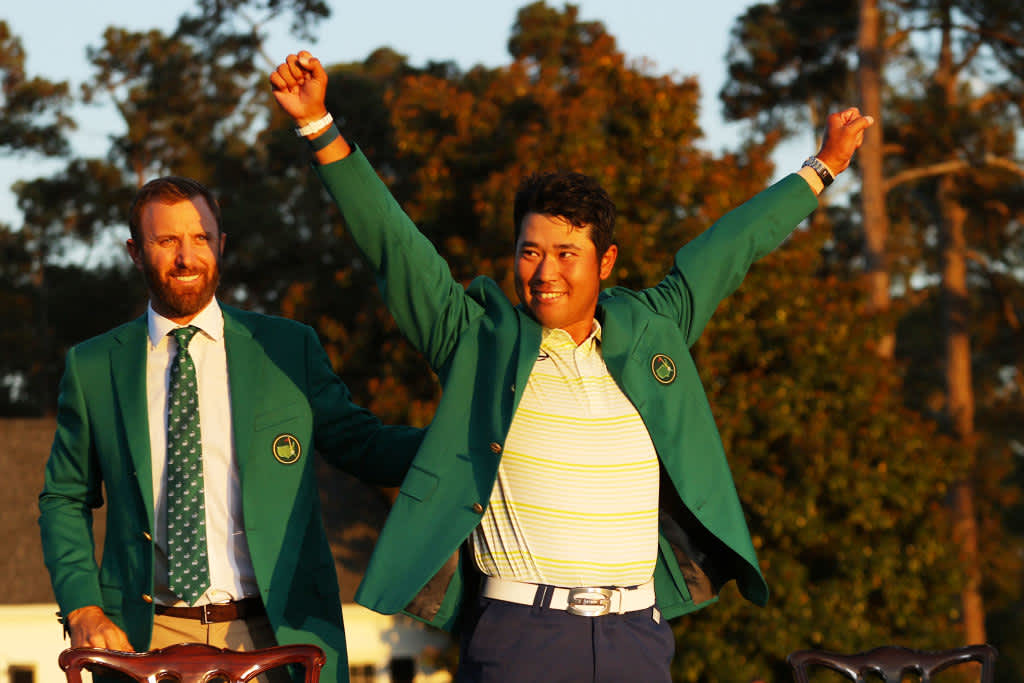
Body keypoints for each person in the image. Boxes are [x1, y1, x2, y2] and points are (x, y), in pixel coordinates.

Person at [271, 51, 873, 683]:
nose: (545, 272)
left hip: (636, 636)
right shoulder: (475, 339)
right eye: (530, 252)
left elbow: (730, 247)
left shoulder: (652, 330)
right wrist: (318, 125)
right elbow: (392, 244)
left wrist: (822, 167)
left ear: (605, 261)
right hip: (520, 638)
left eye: (566, 253)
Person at [38, 175, 423, 683]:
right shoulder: (93, 367)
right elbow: (63, 497)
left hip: (275, 632)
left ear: (221, 244)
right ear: (135, 252)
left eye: (200, 238)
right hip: (146, 638)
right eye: (167, 240)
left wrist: (464, 446)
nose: (186, 257)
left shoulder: (287, 348)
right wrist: (83, 608)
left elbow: (363, 445)